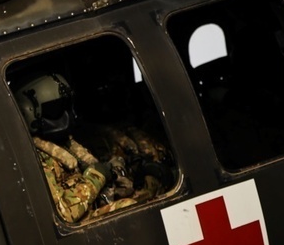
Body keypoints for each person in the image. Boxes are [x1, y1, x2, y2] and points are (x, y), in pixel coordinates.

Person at [15, 73, 171, 223]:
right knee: (127, 208)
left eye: (66, 106)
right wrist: (96, 177)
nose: (67, 116)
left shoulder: (68, 145)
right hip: (77, 229)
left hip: (92, 210)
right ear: (29, 113)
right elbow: (62, 215)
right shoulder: (36, 161)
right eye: (55, 109)